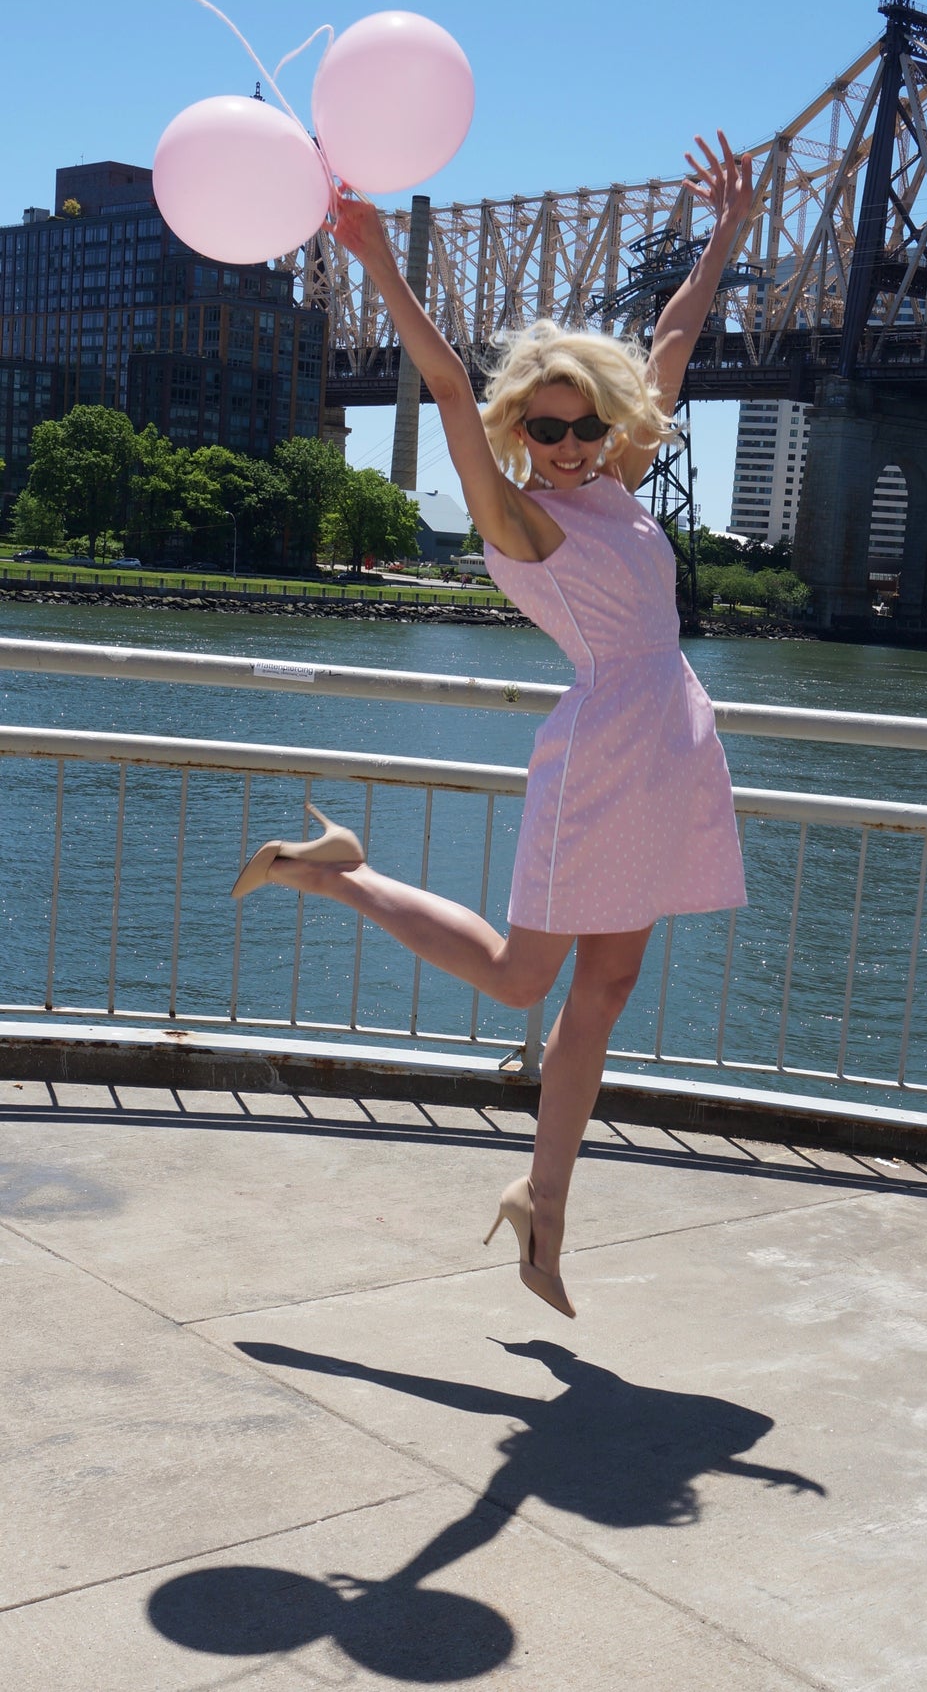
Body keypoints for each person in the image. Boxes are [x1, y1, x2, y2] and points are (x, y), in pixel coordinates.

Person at [231, 133, 754, 1318]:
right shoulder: (521, 520)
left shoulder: (614, 481)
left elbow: (671, 340)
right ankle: (338, 874)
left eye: (584, 427)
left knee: (607, 986)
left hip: (670, 743)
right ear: (524, 431)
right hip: (604, 751)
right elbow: (452, 388)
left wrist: (724, 237)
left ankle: (542, 1202)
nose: (567, 447)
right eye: (548, 430)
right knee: (526, 983)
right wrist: (379, 261)